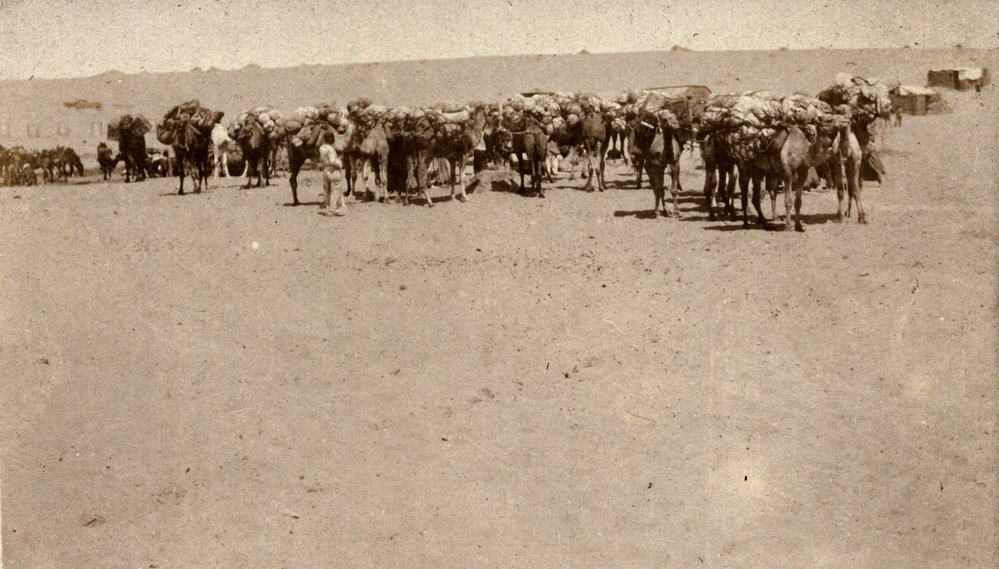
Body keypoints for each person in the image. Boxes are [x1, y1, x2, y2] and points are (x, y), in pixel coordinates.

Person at [319, 132, 346, 215]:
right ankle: (333, 209)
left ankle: (327, 208)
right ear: (331, 139)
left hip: (325, 170)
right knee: (335, 190)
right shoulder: (330, 149)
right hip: (333, 170)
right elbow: (332, 161)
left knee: (326, 191)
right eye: (333, 138)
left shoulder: (321, 148)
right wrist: (340, 163)